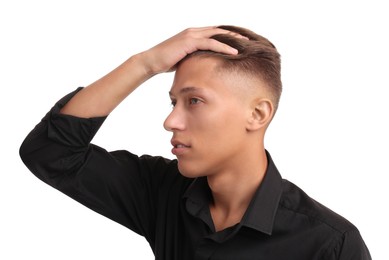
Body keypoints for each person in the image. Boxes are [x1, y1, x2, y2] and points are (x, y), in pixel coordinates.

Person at [19, 25, 371, 259]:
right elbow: (52, 152)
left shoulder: (330, 245)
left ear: (258, 115)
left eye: (194, 101)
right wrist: (145, 64)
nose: (170, 121)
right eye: (173, 102)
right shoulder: (162, 192)